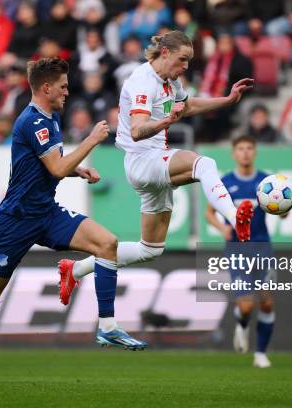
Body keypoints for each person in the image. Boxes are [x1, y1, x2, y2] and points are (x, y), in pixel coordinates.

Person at [0, 57, 146, 391]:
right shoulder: (33, 121)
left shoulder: (49, 118)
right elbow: (54, 168)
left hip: (46, 214)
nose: (68, 92)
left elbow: (49, 166)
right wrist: (92, 140)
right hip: (15, 222)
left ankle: (107, 326)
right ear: (46, 87)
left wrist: (77, 169)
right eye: (64, 86)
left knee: (107, 243)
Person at [56, 30, 254, 307]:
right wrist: (165, 122)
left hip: (154, 162)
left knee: (150, 249)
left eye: (189, 61)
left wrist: (227, 100)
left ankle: (74, 270)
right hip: (142, 160)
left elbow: (187, 106)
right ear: (165, 53)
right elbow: (137, 131)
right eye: (182, 59)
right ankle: (235, 220)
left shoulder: (171, 82)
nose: (186, 66)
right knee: (204, 164)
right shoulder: (142, 82)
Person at [205, 135, 275, 368]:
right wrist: (221, 227)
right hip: (237, 249)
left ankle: (261, 354)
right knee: (246, 306)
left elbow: (280, 209)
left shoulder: (267, 182)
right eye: (240, 149)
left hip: (262, 245)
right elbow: (209, 213)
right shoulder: (224, 182)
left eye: (249, 148)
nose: (245, 152)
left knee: (266, 302)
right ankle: (242, 324)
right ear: (234, 153)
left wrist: (283, 210)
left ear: (254, 152)